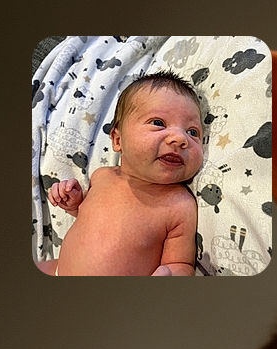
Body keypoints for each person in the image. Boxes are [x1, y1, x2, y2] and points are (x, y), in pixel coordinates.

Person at [44, 71, 204, 276]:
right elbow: (89, 218)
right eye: (158, 123)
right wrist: (74, 205)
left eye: (192, 132)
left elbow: (180, 263)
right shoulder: (102, 176)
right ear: (118, 140)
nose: (180, 138)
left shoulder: (179, 205)